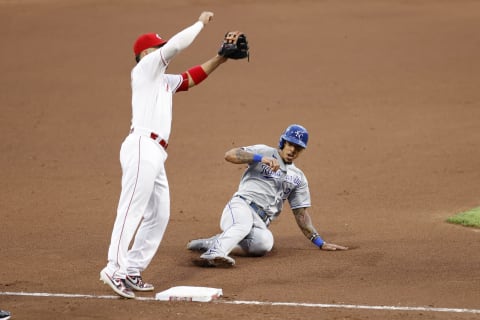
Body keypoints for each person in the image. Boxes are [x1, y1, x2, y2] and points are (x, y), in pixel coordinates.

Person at [100, 11, 233, 299]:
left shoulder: (161, 81)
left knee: (159, 214)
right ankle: (114, 267)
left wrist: (220, 58)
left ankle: (132, 268)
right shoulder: (145, 70)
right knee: (132, 209)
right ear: (145, 53)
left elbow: (189, 79)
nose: (162, 51)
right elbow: (175, 46)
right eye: (157, 48)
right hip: (141, 146)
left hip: (156, 153)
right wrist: (200, 23)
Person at [187, 124, 349, 267]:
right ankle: (213, 253)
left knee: (264, 243)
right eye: (290, 144)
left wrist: (320, 242)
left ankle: (214, 242)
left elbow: (301, 215)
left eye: (298, 148)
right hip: (241, 206)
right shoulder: (264, 152)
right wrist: (260, 158)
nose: (293, 150)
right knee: (242, 225)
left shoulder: (299, 177)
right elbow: (230, 155)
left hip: (260, 222)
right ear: (283, 142)